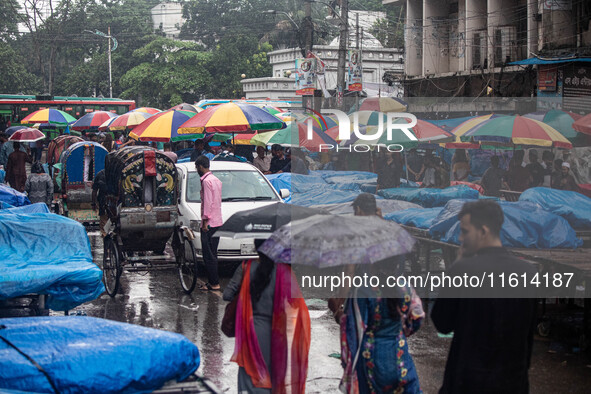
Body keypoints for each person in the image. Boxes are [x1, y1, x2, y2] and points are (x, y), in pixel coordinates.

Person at [431, 200, 537, 394]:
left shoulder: (463, 270)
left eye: (465, 231)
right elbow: (528, 334)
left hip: (468, 382)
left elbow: (442, 323)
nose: (461, 238)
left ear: (483, 231)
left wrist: (457, 265)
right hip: (513, 382)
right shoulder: (528, 272)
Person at [329, 193, 424, 393]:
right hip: (397, 331)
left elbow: (349, 273)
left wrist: (339, 307)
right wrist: (399, 331)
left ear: (359, 210)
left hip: (371, 356)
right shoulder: (392, 231)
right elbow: (416, 318)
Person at [223, 240, 311, 393]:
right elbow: (296, 308)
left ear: (257, 246)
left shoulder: (246, 267)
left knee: (252, 381)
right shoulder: (285, 272)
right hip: (281, 337)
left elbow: (227, 294)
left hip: (252, 335)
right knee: (277, 381)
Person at [195, 155, 223, 291]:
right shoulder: (216, 180)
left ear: (200, 167)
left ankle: (214, 282)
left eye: (197, 168)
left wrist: (205, 221)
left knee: (208, 255)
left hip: (209, 222)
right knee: (213, 253)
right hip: (218, 221)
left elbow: (207, 202)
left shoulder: (206, 182)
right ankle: (213, 281)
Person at [92, 168, 108, 237]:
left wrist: (93, 203)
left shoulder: (100, 174)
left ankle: (105, 237)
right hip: (105, 201)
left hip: (103, 201)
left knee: (104, 222)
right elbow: (94, 191)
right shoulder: (117, 173)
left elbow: (94, 191)